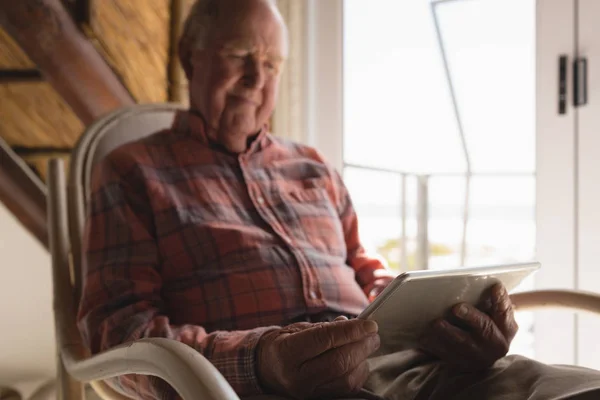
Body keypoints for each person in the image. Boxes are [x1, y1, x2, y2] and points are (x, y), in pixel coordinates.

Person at [77, 0, 600, 399]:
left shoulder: (311, 165)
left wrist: (449, 322)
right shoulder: (133, 172)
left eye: (272, 64)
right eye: (240, 56)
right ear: (190, 56)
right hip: (270, 389)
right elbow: (122, 339)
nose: (257, 80)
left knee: (564, 387)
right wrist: (264, 362)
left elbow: (368, 276)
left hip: (411, 367)